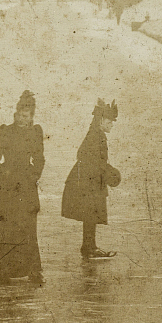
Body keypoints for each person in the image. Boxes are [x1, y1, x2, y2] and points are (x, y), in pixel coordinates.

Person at [0, 91, 45, 284]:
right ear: (15, 114)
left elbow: (39, 159)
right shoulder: (5, 131)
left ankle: (32, 269)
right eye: (20, 115)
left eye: (26, 116)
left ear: (31, 117)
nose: (22, 119)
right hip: (4, 186)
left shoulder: (35, 132)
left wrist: (33, 175)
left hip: (25, 186)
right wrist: (2, 171)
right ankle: (0, 271)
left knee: (26, 228)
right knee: (2, 228)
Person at [61, 99, 121, 258]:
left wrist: (105, 171)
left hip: (91, 180)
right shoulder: (96, 135)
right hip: (88, 182)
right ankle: (89, 248)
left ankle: (89, 246)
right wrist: (108, 171)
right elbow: (83, 155)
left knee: (91, 214)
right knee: (90, 214)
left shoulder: (97, 134)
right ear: (101, 121)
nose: (111, 125)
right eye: (109, 122)